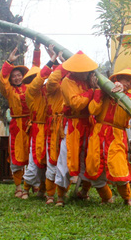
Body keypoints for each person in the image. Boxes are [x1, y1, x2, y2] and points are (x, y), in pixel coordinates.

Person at [86, 68, 131, 207]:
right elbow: (93, 110)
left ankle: (127, 199)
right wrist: (99, 92)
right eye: (126, 79)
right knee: (93, 165)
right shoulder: (105, 92)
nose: (129, 83)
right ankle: (106, 197)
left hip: (117, 134)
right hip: (98, 132)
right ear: (117, 79)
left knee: (119, 167)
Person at [58, 52, 104, 206]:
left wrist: (95, 89)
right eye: (83, 70)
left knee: (88, 158)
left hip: (88, 124)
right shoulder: (67, 81)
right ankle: (60, 196)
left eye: (87, 70)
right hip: (72, 125)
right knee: (66, 158)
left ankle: (84, 191)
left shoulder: (89, 80)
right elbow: (76, 103)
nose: (86, 73)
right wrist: (92, 91)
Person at [0, 47, 33, 199]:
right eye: (14, 77)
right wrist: (9, 61)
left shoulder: (30, 88)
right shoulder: (9, 91)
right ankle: (18, 187)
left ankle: (34, 185)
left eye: (19, 75)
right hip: (17, 126)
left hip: (32, 125)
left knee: (34, 155)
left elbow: (38, 77)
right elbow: (1, 80)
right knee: (17, 155)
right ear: (11, 80)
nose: (17, 78)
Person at [22, 43, 49, 195]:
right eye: (33, 78)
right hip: (38, 129)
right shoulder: (30, 92)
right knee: (34, 161)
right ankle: (25, 189)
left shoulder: (46, 90)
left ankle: (43, 190)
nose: (37, 81)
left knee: (47, 161)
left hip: (49, 128)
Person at [41, 47, 66, 205]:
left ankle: (62, 195)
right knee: (52, 160)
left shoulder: (71, 84)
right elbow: (51, 81)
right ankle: (51, 194)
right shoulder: (50, 87)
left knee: (65, 161)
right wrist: (61, 62)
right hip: (54, 126)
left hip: (69, 125)